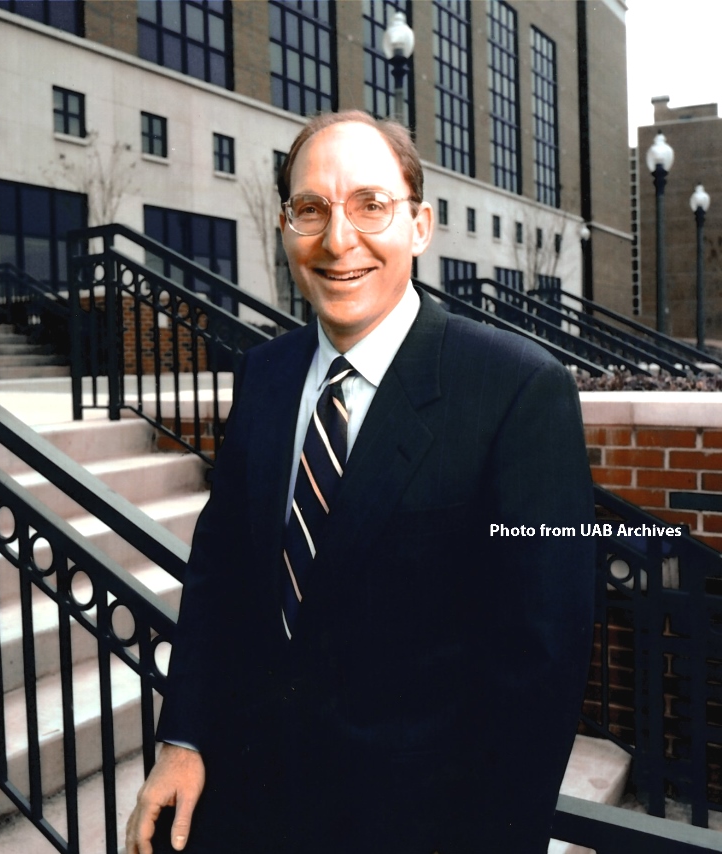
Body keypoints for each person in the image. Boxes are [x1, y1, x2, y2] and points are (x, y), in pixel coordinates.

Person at [126, 110, 595, 854]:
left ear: (420, 224)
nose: (339, 240)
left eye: (371, 205)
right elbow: (221, 575)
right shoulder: (267, 375)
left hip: (414, 825)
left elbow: (543, 659)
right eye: (311, 209)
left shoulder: (516, 391)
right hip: (245, 809)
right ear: (285, 228)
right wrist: (183, 737)